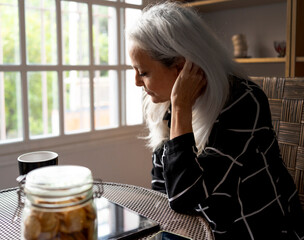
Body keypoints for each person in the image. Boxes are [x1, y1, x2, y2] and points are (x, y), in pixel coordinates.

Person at [127, 1, 304, 239]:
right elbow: (162, 190)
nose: (137, 82)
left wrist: (181, 106)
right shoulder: (165, 106)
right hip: (204, 230)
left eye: (144, 72)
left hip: (257, 232)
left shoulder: (243, 102)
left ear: (181, 69)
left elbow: (184, 197)